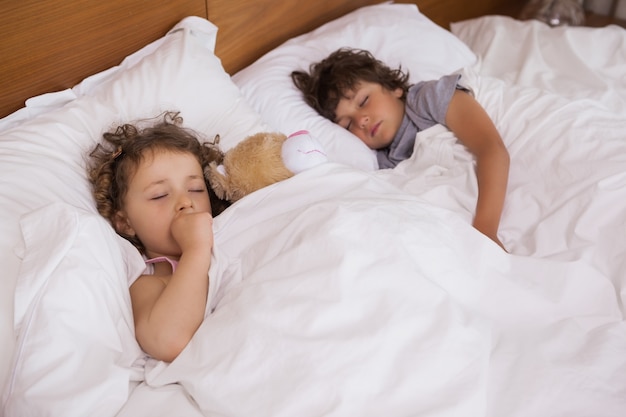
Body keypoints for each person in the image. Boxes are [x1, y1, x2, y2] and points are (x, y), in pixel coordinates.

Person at [291, 48, 510, 250]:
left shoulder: (426, 99)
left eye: (364, 100)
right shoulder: (385, 164)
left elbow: (491, 148)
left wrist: (486, 230)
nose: (362, 120)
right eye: (348, 124)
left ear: (393, 87)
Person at [88, 112, 229, 362]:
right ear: (125, 223)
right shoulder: (150, 285)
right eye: (160, 195)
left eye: (196, 189)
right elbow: (168, 342)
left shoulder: (232, 225)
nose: (186, 201)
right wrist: (196, 249)